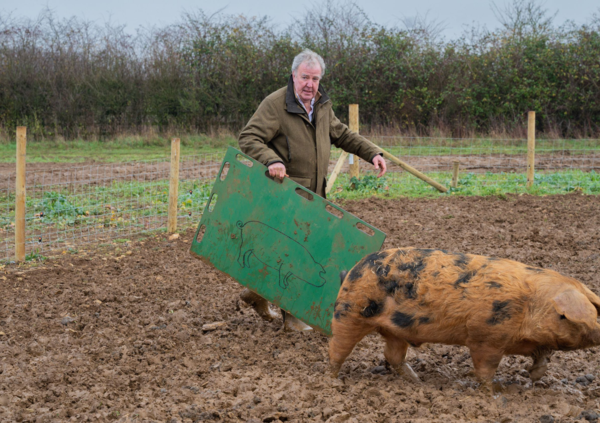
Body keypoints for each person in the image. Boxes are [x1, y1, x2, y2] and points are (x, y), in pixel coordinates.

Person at [237, 49, 387, 331]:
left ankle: (255, 294)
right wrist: (272, 159)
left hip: (315, 195)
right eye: (305, 77)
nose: (310, 84)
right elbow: (248, 137)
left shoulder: (321, 105)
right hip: (286, 194)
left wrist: (372, 153)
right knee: (295, 254)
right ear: (294, 75)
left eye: (315, 78)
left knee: (294, 251)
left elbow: (342, 134)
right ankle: (293, 316)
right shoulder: (275, 105)